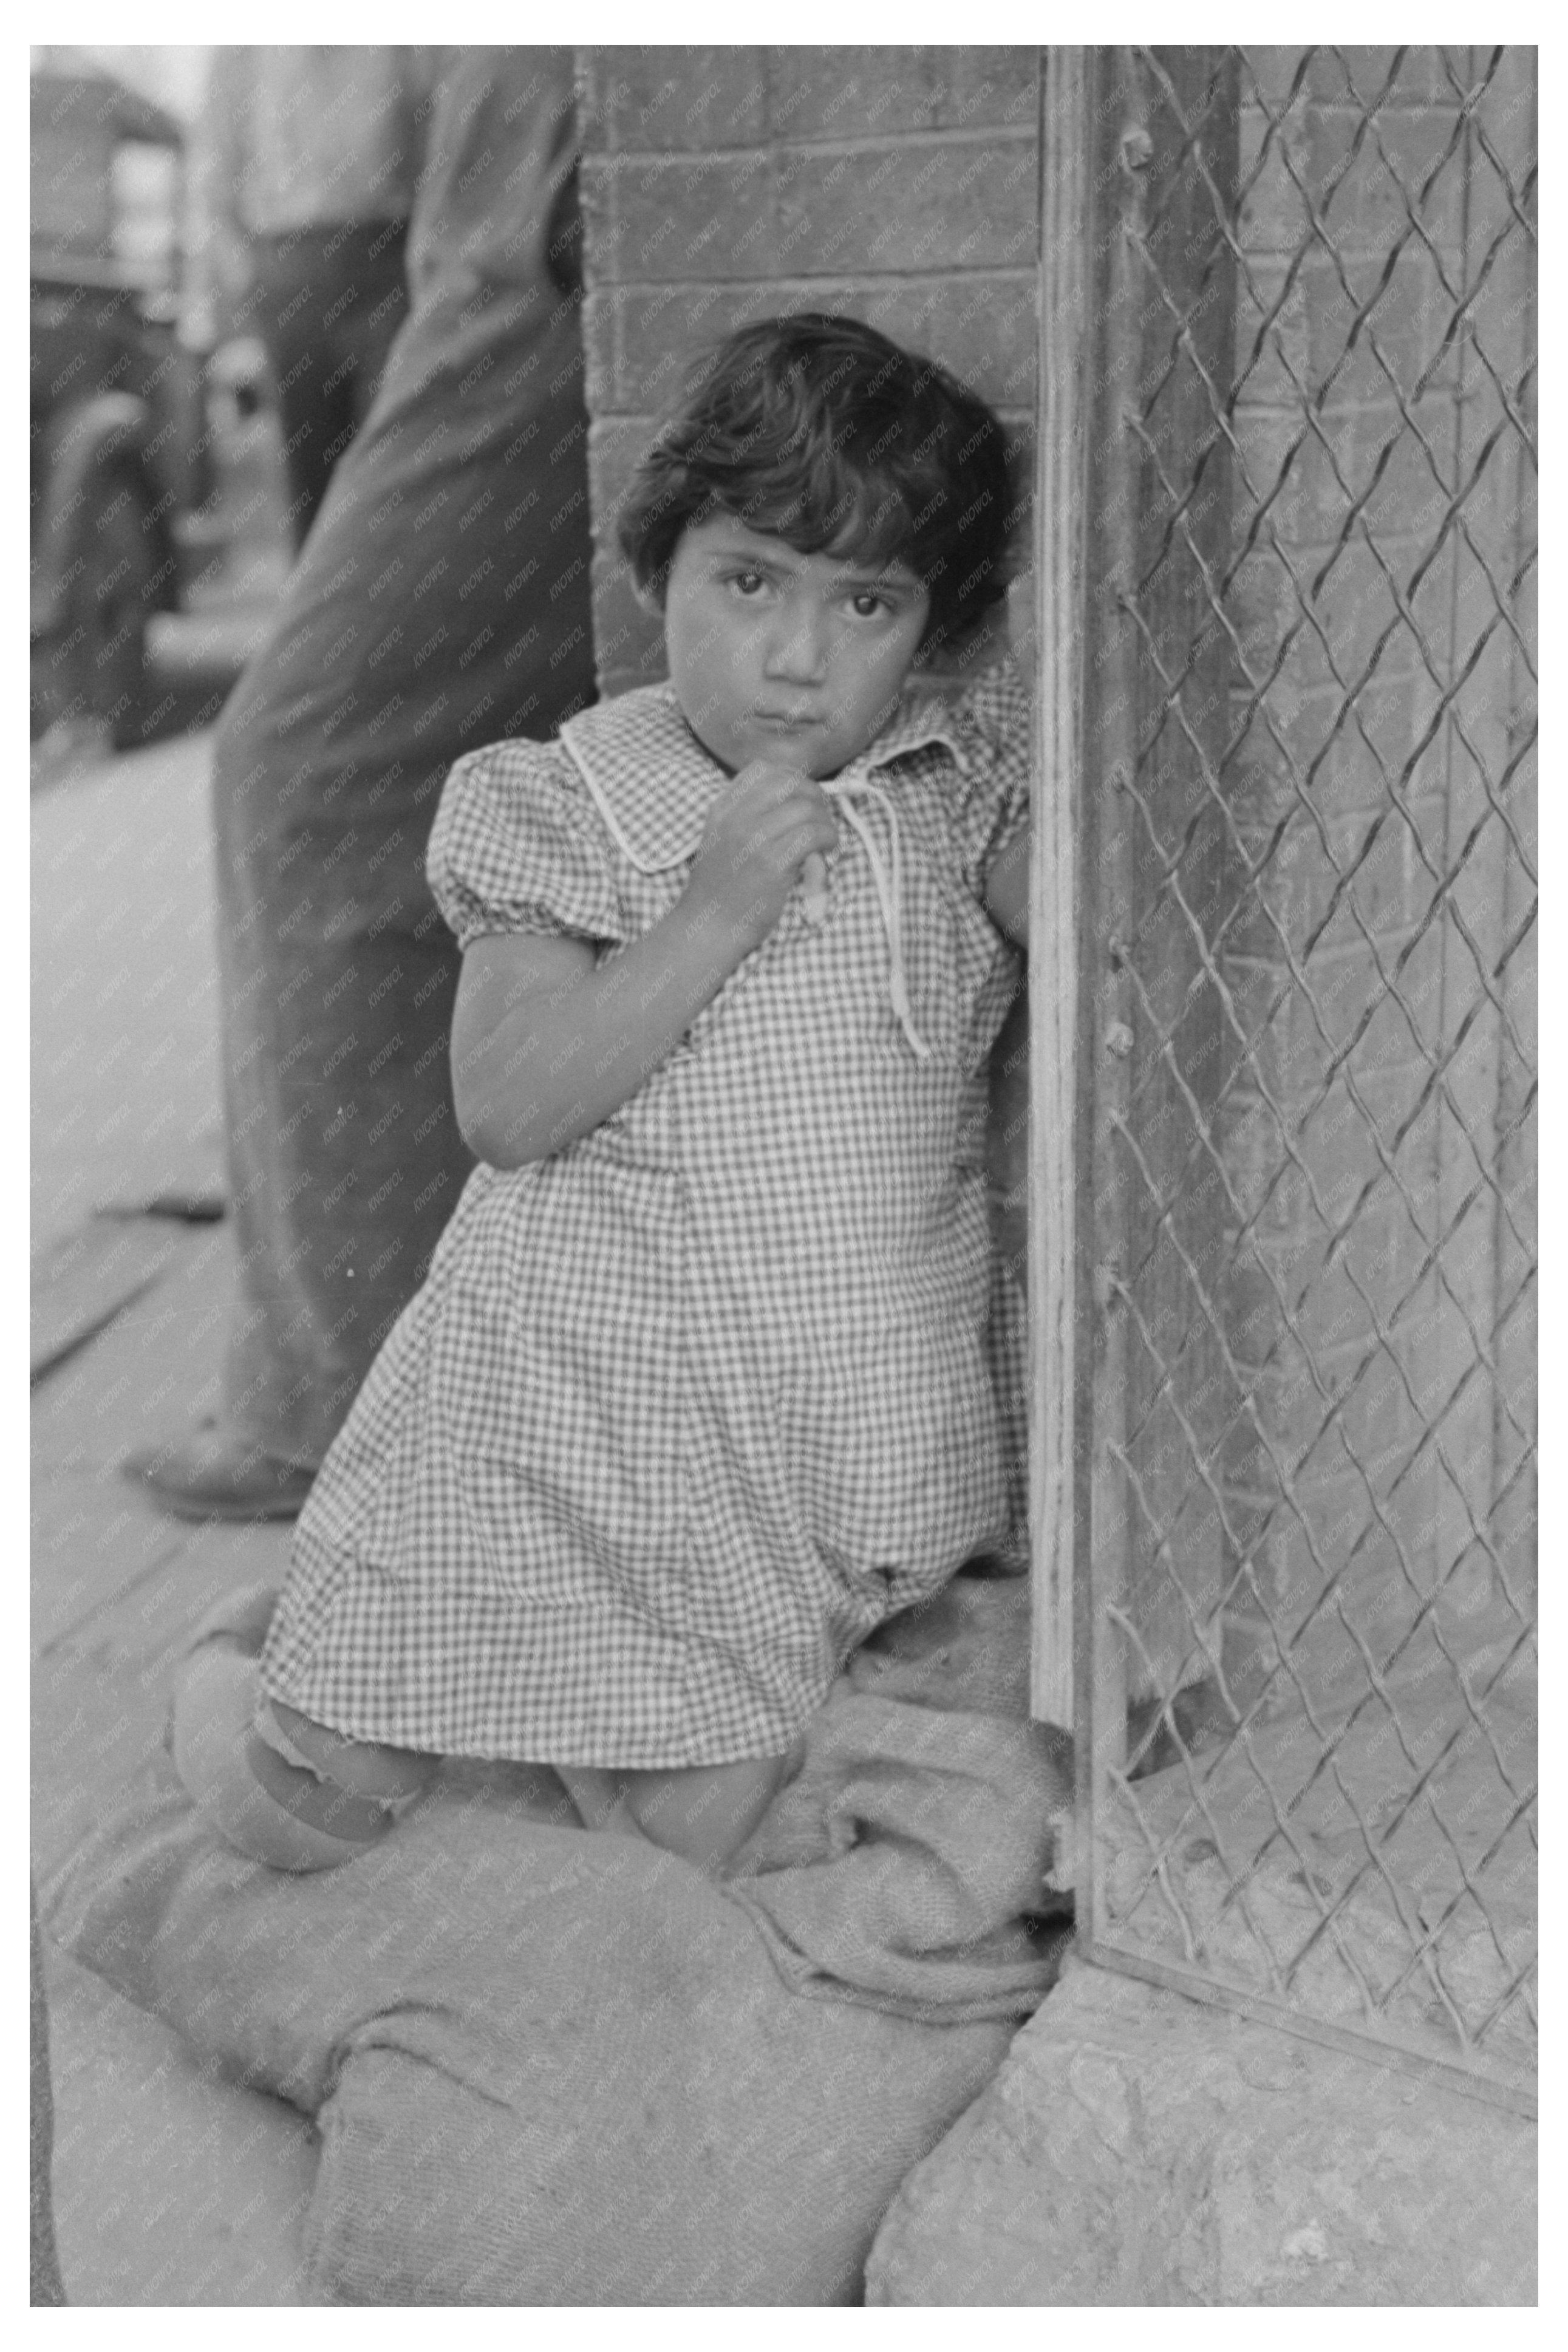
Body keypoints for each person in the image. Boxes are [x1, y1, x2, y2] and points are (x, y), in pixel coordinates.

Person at [169, 313, 1032, 1878]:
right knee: (309, 1805)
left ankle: (546, 1751)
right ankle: (329, 1678)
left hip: (828, 1418)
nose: (796, 657)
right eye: (748, 580)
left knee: (687, 1831)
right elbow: (505, 1105)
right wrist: (706, 917)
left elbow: (1123, 943)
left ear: (928, 628)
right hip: (584, 1405)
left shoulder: (945, 788)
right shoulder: (563, 803)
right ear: (658, 572)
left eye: (866, 603)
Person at [128, 50, 598, 1523]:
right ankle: (411, 1383)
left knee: (310, 774)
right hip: (463, 213)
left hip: (549, 196)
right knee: (417, 783)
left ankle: (347, 1404)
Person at [186, 47, 426, 545]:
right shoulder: (243, 48)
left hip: (384, 259)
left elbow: (432, 145)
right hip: (290, 270)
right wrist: (248, 290)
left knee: (392, 457)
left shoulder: (402, 41)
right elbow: (215, 179)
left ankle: (393, 610)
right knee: (311, 474)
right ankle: (324, 616)